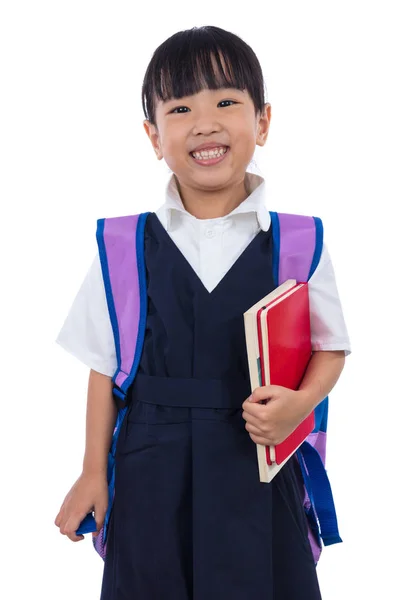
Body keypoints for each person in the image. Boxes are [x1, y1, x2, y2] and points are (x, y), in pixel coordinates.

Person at [54, 25, 351, 600]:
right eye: (181, 106)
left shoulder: (297, 241)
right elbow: (103, 369)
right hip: (151, 467)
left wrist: (300, 405)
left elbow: (330, 347)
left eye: (226, 101)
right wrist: (94, 471)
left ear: (262, 121)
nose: (205, 121)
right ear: (153, 134)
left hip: (260, 462)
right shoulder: (124, 245)